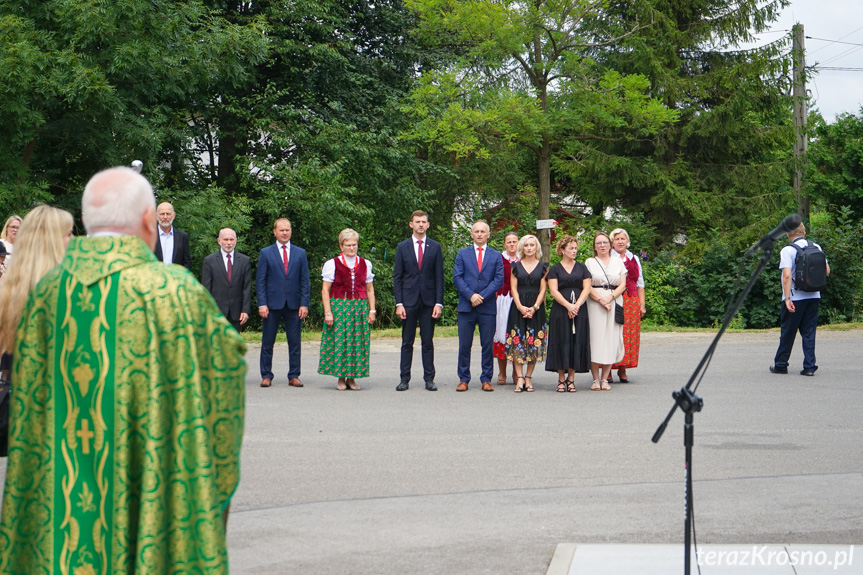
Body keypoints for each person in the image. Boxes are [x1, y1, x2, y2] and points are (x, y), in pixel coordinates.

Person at [0, 167, 246, 574]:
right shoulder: (175, 291)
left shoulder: (46, 294)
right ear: (150, 220)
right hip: (149, 481)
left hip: (59, 502)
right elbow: (226, 370)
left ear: (85, 223)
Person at [0, 205, 74, 414]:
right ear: (52, 239)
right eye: (69, 233)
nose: (74, 239)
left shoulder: (9, 286)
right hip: (56, 406)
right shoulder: (65, 288)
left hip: (19, 407)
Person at [770, 223, 830, 376]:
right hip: (814, 295)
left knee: (788, 331)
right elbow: (827, 271)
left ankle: (781, 364)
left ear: (788, 235)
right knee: (809, 332)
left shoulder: (787, 250)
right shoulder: (816, 246)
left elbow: (787, 275)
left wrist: (787, 298)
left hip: (795, 297)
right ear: (804, 232)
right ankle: (809, 366)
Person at [393, 210, 444, 391]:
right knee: (407, 342)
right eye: (417, 222)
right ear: (411, 224)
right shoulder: (402, 247)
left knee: (427, 342)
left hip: (429, 302)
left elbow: (439, 277)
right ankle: (404, 379)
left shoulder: (435, 247)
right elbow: (397, 277)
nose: (421, 225)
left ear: (428, 225)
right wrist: (399, 303)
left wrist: (439, 302)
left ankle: (429, 379)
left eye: (423, 222)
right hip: (408, 301)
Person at [319, 229, 376, 390]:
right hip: (340, 306)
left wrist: (372, 310)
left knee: (356, 342)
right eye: (348, 245)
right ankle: (340, 377)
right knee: (340, 341)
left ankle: (352, 378)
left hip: (359, 308)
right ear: (341, 246)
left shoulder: (365, 264)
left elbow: (370, 289)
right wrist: (328, 312)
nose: (352, 248)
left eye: (354, 245)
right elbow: (325, 290)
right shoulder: (332, 264)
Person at [257, 218, 310, 388]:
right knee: (267, 341)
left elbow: (305, 281)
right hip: (271, 305)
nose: (285, 233)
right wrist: (262, 303)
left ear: (291, 231)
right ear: (275, 232)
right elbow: (261, 281)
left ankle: (294, 375)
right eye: (281, 230)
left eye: (287, 229)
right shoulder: (266, 253)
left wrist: (304, 304)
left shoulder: (300, 253)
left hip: (294, 305)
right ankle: (266, 375)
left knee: (295, 342)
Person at [453, 221, 504, 392]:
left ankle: (486, 379)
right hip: (466, 307)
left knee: (487, 344)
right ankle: (463, 379)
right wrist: (471, 296)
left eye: (483, 231)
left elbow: (498, 279)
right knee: (464, 345)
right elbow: (457, 278)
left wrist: (481, 296)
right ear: (472, 234)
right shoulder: (462, 254)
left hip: (487, 306)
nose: (480, 234)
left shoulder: (496, 255)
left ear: (488, 234)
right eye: (477, 231)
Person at [545, 235, 592, 392]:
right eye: (571, 248)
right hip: (560, 309)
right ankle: (560, 378)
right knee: (561, 340)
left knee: (576, 340)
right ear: (562, 250)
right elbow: (553, 290)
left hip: (580, 309)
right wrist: (568, 306)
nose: (574, 251)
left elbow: (587, 288)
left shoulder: (582, 268)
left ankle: (571, 378)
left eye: (575, 248)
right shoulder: (555, 269)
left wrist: (577, 305)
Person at [505, 234, 548, 392]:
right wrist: (521, 307)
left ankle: (528, 378)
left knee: (534, 343)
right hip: (518, 308)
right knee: (517, 343)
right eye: (526, 245)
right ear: (521, 247)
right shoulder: (515, 267)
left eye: (532, 245)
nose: (529, 248)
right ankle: (520, 378)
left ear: (537, 247)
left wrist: (535, 307)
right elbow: (513, 289)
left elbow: (543, 289)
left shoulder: (543, 267)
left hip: (536, 309)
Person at [585, 232, 627, 391]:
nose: (602, 245)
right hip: (595, 302)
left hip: (615, 300)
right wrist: (601, 300)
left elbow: (623, 284)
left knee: (611, 338)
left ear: (610, 245)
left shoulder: (618, 262)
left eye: (605, 242)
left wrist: (610, 298)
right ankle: (595, 379)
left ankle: (605, 378)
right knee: (595, 338)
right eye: (598, 243)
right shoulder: (589, 262)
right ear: (595, 247)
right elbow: (587, 285)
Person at [610, 228, 646, 383]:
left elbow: (640, 283)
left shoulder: (634, 258)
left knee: (628, 335)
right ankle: (609, 368)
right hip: (614, 298)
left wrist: (642, 305)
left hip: (631, 300)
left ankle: (623, 368)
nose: (620, 241)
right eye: (617, 239)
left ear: (627, 241)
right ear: (612, 242)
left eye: (622, 238)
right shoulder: (609, 257)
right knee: (612, 333)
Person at [201, 228, 252, 331]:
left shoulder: (244, 261)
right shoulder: (209, 261)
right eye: (225, 239)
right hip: (216, 312)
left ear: (236, 241)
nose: (229, 243)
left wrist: (245, 310)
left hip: (237, 313)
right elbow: (206, 289)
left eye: (231, 239)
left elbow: (247, 288)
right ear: (219, 241)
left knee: (234, 346)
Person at [493, 231, 519, 385]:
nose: (511, 244)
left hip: (517, 300)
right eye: (508, 242)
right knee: (501, 334)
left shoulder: (523, 259)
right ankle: (502, 372)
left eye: (514, 241)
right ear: (504, 244)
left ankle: (517, 373)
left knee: (516, 335)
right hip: (501, 300)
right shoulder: (499, 258)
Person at [153, 201, 192, 269]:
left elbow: (187, 262)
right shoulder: (149, 236)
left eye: (168, 214)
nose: (165, 217)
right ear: (156, 216)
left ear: (173, 215)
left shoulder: (182, 237)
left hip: (176, 278)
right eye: (162, 214)